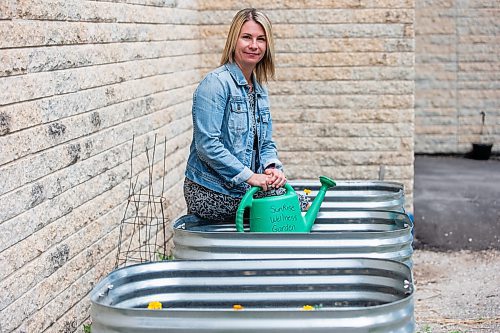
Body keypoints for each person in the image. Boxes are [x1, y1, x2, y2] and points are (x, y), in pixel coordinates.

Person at [184, 8, 308, 222]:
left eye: (261, 39)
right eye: (247, 37)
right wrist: (252, 177)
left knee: (296, 201)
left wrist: (271, 168)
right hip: (210, 190)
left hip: (241, 187)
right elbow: (207, 146)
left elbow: (266, 142)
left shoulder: (258, 89)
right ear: (234, 40)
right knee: (291, 206)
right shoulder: (216, 83)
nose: (254, 45)